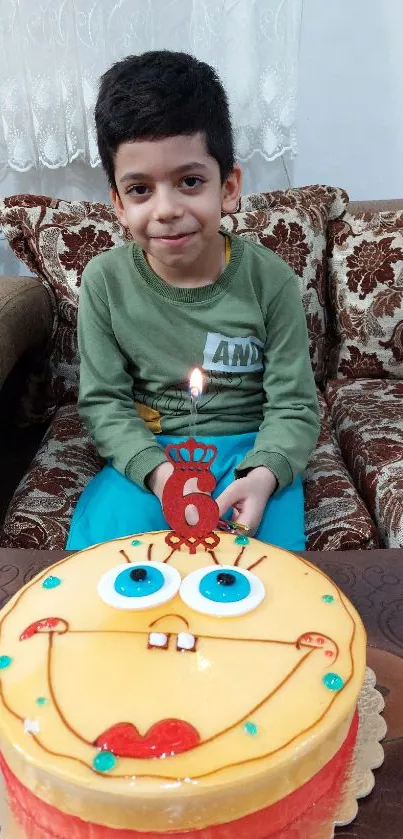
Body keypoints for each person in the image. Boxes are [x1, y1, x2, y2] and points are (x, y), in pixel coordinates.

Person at [67, 50, 320, 552]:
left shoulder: (269, 280)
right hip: (152, 457)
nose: (166, 210)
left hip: (250, 452)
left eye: (189, 182)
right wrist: (161, 476)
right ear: (117, 203)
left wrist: (265, 473)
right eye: (140, 189)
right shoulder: (104, 282)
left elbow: (293, 405)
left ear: (228, 188)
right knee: (107, 562)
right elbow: (104, 404)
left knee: (265, 573)